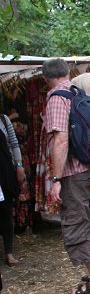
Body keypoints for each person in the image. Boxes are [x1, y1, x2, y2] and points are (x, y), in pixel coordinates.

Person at [41, 58, 90, 294]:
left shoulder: (57, 98)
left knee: (78, 221)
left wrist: (56, 180)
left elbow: (60, 139)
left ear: (47, 78)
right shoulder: (78, 92)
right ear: (67, 72)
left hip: (74, 173)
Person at [0, 113, 26, 266]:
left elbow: (14, 143)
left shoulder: (3, 119)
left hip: (4, 173)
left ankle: (9, 252)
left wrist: (19, 165)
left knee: (6, 212)